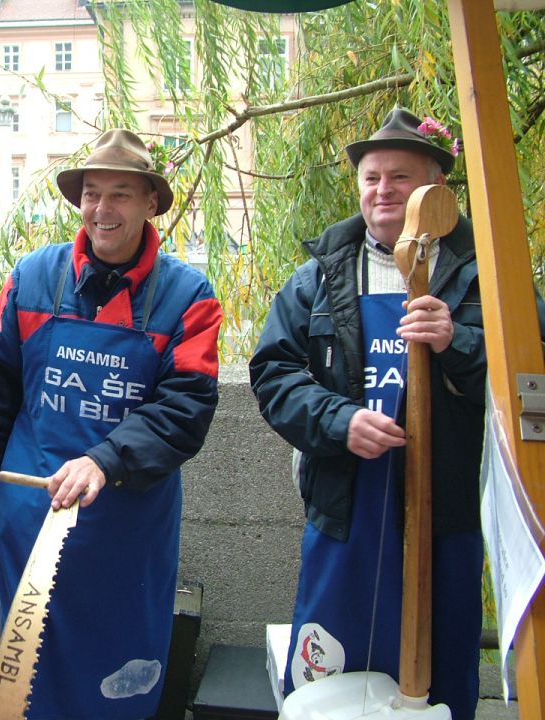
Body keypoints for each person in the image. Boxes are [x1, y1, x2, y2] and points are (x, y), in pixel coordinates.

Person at [248, 108, 530, 720]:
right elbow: (273, 374)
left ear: (434, 190)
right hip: (344, 509)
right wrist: (337, 421)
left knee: (435, 677)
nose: (382, 191)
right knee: (329, 673)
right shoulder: (319, 277)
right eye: (372, 178)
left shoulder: (489, 274)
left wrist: (459, 340)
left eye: (399, 178)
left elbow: (527, 376)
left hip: (444, 515)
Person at [0, 129, 222, 720]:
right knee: (29, 671)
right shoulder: (31, 276)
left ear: (151, 202)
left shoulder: (190, 295)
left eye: (121, 194)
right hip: (28, 515)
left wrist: (105, 459)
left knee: (114, 665)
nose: (103, 210)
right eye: (92, 194)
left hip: (126, 525)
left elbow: (186, 408)